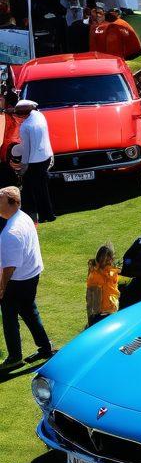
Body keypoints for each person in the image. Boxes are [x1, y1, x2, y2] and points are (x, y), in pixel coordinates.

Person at [0, 186, 53, 372]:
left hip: (18, 279)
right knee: (29, 310)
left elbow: (9, 267)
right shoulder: (24, 218)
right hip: (31, 274)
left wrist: (1, 287)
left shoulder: (10, 233)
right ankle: (45, 347)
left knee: (9, 315)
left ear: (12, 203)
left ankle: (15, 357)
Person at [15, 100, 55, 223]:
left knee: (35, 190)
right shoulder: (39, 116)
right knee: (43, 189)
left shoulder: (25, 127)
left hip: (34, 162)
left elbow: (26, 151)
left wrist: (22, 167)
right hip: (46, 156)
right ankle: (48, 215)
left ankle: (41, 215)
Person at [85, 243, 119, 327]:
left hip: (111, 311)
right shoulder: (95, 276)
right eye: (104, 260)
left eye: (109, 259)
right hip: (100, 315)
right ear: (99, 259)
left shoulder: (112, 272)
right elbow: (91, 301)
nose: (107, 262)